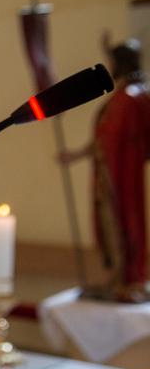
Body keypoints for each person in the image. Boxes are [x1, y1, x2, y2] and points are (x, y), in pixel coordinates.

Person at [59, 38, 150, 303]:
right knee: (113, 225)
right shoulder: (130, 95)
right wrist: (75, 155)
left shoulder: (129, 98)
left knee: (124, 222)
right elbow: (105, 138)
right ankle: (120, 277)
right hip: (112, 172)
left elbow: (114, 139)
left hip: (120, 176)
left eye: (112, 60)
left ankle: (131, 278)